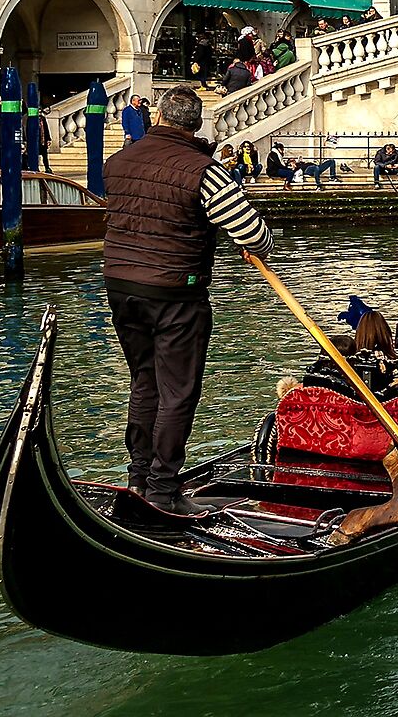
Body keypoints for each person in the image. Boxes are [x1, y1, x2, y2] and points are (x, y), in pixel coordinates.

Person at [101, 84, 272, 514]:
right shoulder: (205, 170)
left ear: (158, 117)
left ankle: (137, 478)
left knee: (144, 381)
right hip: (176, 291)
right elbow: (252, 233)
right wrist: (252, 243)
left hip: (120, 286)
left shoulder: (118, 161)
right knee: (177, 391)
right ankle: (163, 489)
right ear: (196, 126)